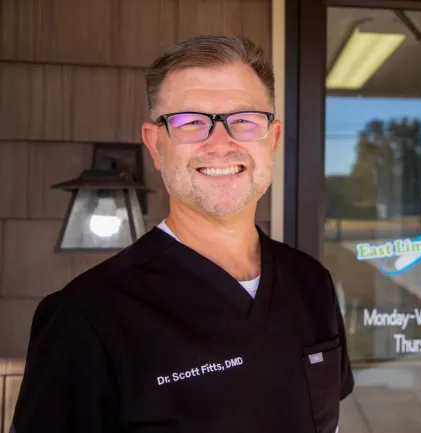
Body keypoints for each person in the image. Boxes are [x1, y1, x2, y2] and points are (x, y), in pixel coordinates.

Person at [10, 35, 354, 433]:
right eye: (191, 122)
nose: (221, 144)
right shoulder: (86, 318)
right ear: (156, 145)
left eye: (244, 120)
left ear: (272, 140)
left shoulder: (312, 283)